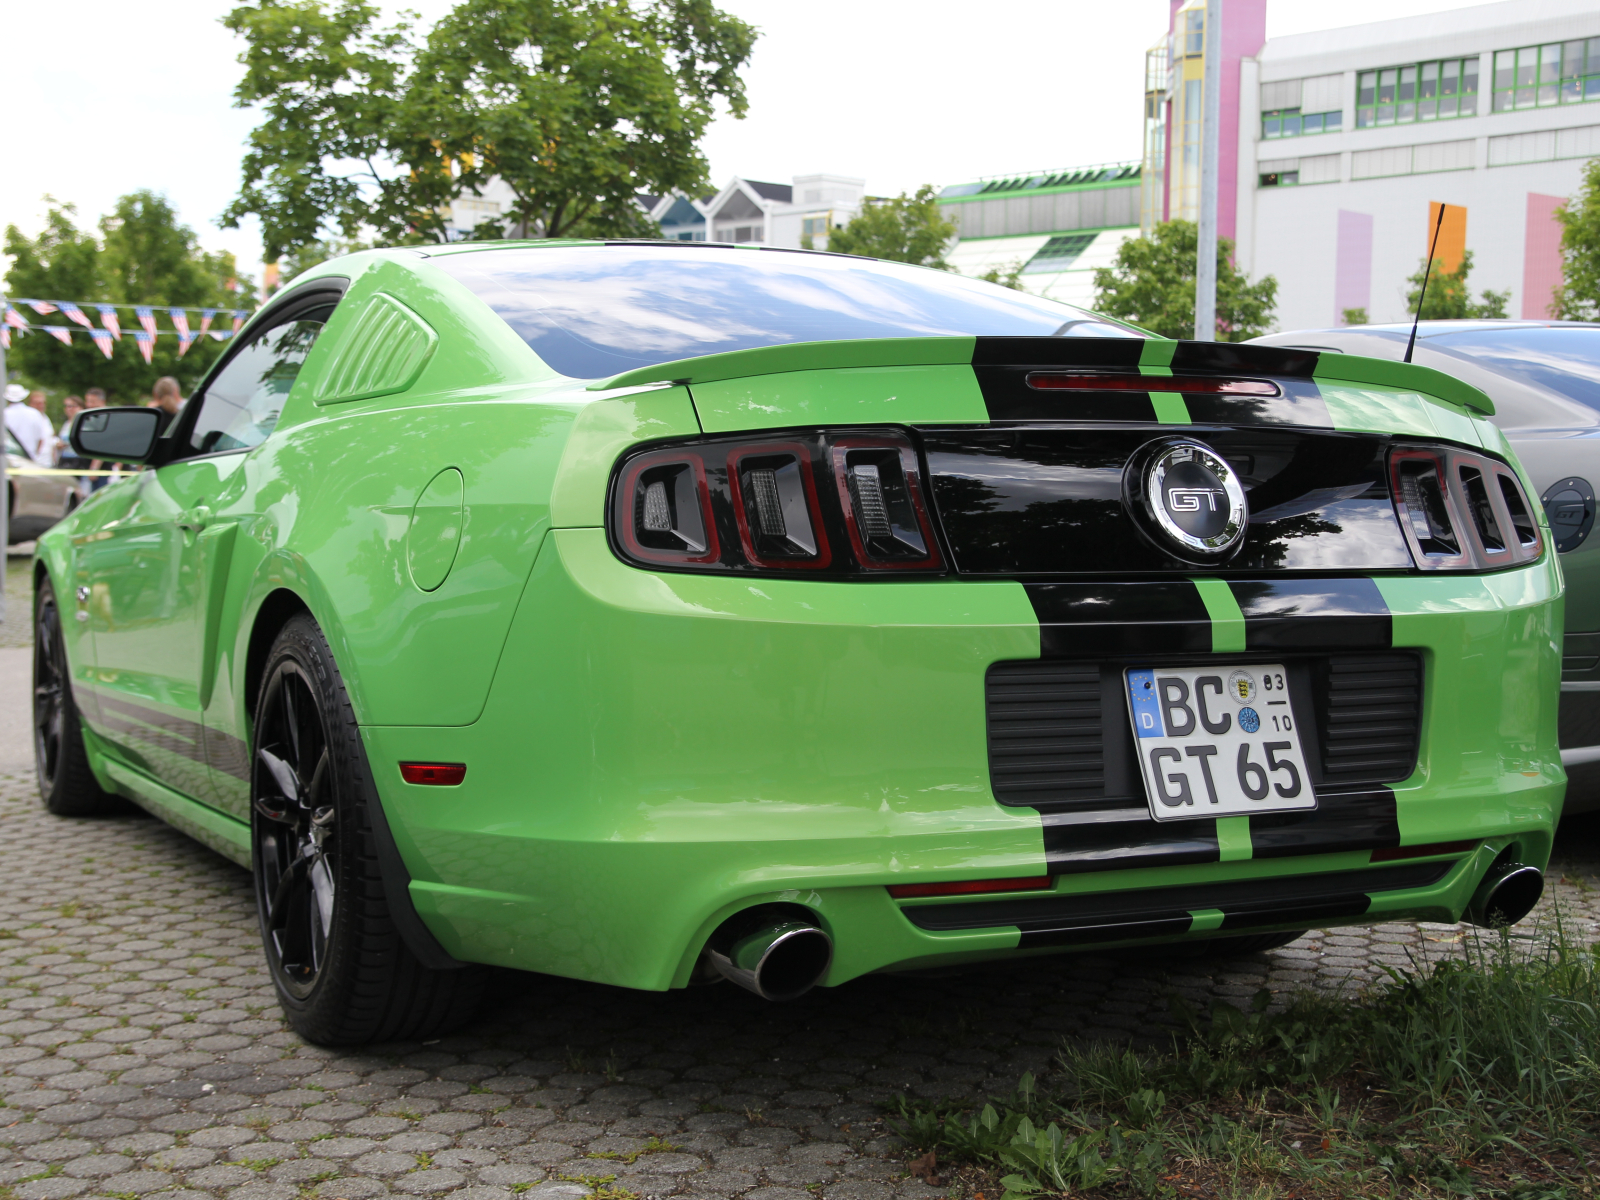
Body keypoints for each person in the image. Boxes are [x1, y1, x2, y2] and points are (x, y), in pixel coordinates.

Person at [5, 386, 54, 463]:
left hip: (9, 459)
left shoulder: (4, 414)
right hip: (30, 460)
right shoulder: (35, 414)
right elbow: (41, 439)